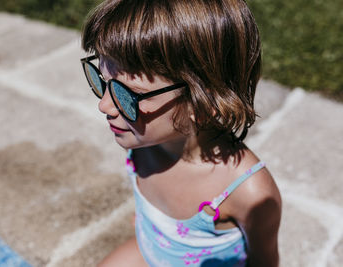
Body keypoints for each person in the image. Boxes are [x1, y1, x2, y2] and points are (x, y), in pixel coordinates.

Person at [80, 0, 282, 266]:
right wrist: (151, 222)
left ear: (205, 103)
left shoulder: (248, 192)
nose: (104, 105)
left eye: (128, 95)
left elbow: (264, 261)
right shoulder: (143, 139)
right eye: (103, 81)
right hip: (150, 249)